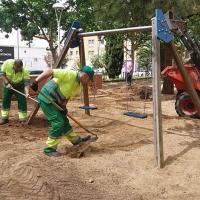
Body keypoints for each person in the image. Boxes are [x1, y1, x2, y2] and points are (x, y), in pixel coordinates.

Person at [30, 66, 95, 157]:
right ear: (84, 75)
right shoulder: (70, 74)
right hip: (47, 98)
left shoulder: (78, 85)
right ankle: (49, 148)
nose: (88, 82)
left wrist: (63, 106)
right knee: (58, 123)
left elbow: (67, 96)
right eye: (89, 79)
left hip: (57, 102)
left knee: (65, 122)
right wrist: (36, 81)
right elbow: (50, 71)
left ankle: (77, 141)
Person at [0, 59, 30, 125]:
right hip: (7, 85)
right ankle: (4, 118)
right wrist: (7, 83)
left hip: (19, 86)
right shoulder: (7, 63)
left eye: (19, 69)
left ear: (22, 67)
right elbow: (2, 74)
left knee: (22, 101)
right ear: (14, 65)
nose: (18, 70)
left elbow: (26, 83)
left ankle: (23, 119)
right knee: (5, 100)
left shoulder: (25, 70)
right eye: (16, 69)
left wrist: (27, 93)